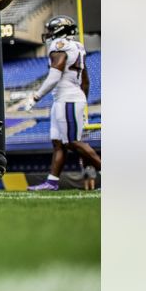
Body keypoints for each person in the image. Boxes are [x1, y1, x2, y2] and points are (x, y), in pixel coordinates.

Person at [24, 15, 102, 190]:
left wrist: (35, 96)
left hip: (68, 99)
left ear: (60, 31)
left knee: (72, 142)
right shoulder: (77, 47)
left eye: (52, 30)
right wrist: (83, 102)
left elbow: (54, 76)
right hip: (68, 98)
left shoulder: (60, 45)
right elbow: (86, 80)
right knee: (59, 143)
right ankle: (52, 182)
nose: (49, 33)